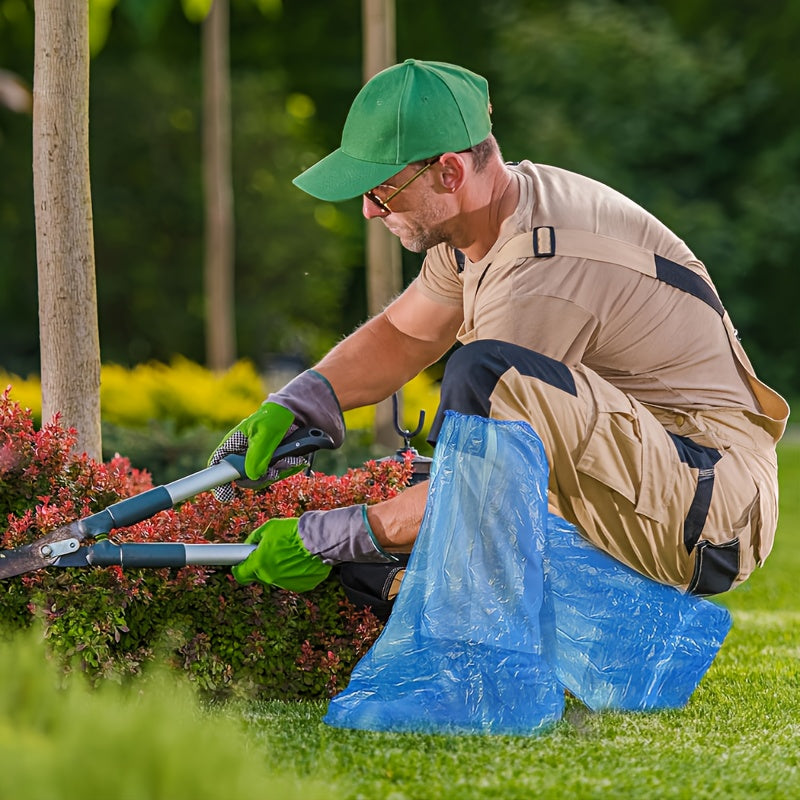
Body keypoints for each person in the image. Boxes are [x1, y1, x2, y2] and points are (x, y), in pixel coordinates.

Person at [210, 59, 788, 601]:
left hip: (709, 510)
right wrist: (305, 399)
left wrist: (333, 536)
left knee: (477, 385)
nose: (368, 211)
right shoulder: (480, 225)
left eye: (381, 191)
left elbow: (481, 485)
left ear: (449, 171)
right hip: (653, 476)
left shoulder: (541, 272)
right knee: (400, 519)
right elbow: (407, 334)